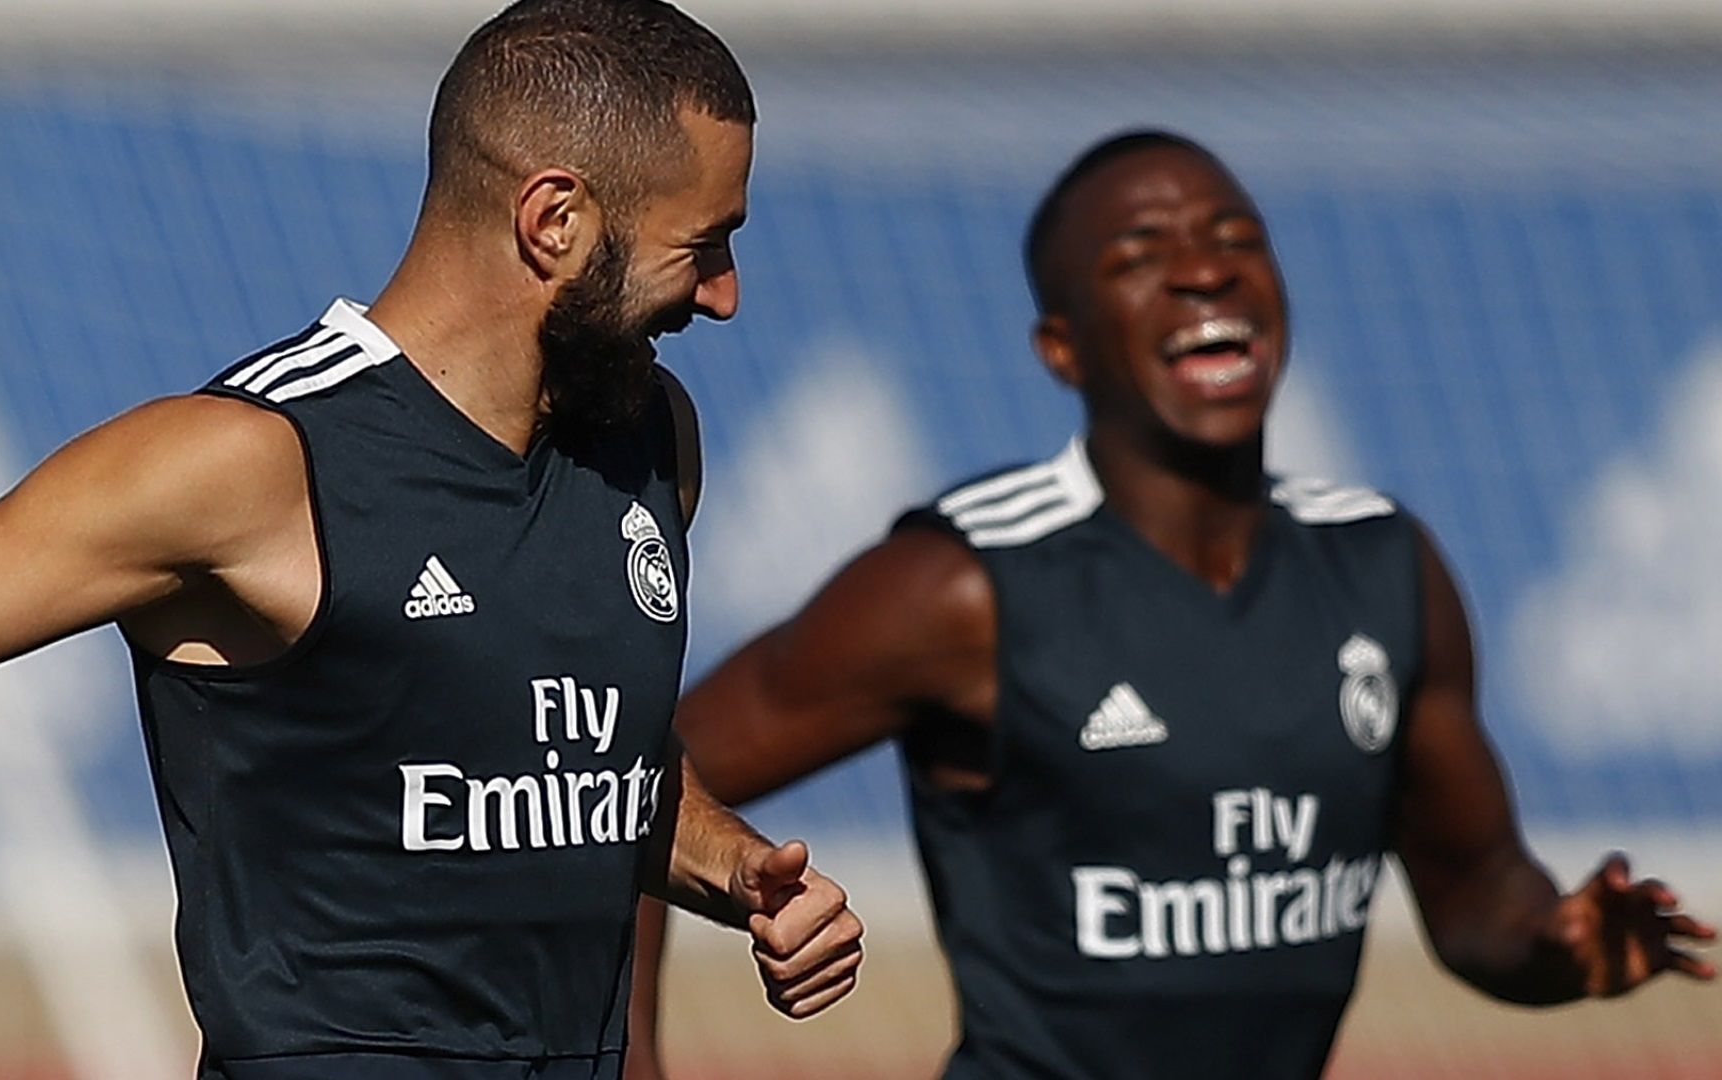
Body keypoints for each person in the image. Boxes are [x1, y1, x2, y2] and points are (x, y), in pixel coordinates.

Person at [0, 2, 865, 1078]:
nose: (725, 297)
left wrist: (733, 868)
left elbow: (579, 766)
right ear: (555, 221)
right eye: (705, 246)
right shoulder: (251, 464)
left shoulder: (649, 441)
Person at [633, 130, 1714, 1079]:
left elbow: (1479, 899)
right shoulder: (965, 585)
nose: (1204, 271)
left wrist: (1559, 943)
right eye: (1140, 258)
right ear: (1061, 347)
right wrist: (629, 1059)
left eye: (1237, 240)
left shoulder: (1386, 567)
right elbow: (626, 782)